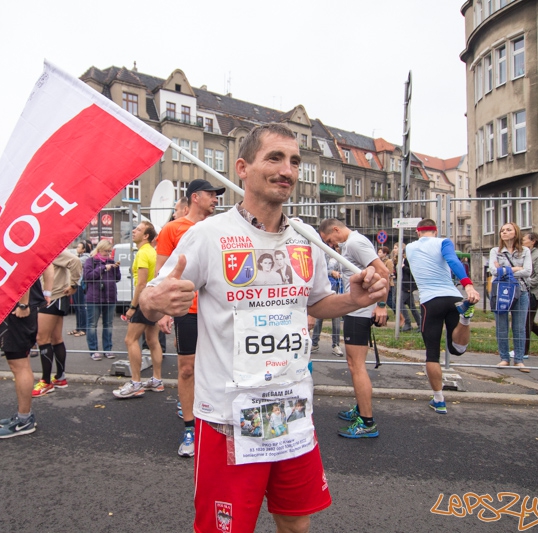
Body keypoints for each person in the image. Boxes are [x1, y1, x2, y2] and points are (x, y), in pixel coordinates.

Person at [139, 123, 387, 532]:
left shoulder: (306, 238)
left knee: (295, 522)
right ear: (242, 167)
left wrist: (354, 300)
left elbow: (316, 302)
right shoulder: (207, 236)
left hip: (291, 411)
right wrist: (155, 301)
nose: (286, 170)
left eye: (294, 161)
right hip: (228, 417)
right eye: (274, 158)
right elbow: (150, 296)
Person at [155, 178, 224, 457]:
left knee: (220, 367)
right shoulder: (172, 229)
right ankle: (189, 429)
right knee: (187, 369)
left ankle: (218, 424)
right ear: (195, 197)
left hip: (218, 311)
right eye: (211, 194)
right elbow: (161, 274)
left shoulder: (221, 229)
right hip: (188, 311)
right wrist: (162, 311)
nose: (216, 199)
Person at [318, 218, 389, 438]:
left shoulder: (356, 243)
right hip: (355, 308)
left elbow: (383, 273)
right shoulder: (350, 244)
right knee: (353, 364)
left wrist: (381, 306)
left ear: (337, 230)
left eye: (330, 240)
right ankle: (360, 409)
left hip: (360, 312)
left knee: (356, 365)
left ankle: (367, 422)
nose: (331, 245)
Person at [406, 219, 480, 414]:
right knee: (457, 349)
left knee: (432, 353)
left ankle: (439, 400)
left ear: (417, 232)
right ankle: (465, 319)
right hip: (453, 297)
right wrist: (468, 284)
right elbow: (453, 260)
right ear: (436, 231)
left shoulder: (410, 248)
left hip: (430, 301)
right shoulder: (443, 242)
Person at [0, 269, 52, 438]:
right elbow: (47, 266)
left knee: (19, 364)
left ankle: (24, 419)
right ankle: (23, 415)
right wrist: (45, 292)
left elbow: (23, 270)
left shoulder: (15, 242)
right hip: (16, 304)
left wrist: (23, 303)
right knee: (18, 362)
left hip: (17, 307)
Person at [115, 221, 164, 398]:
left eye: (138, 229)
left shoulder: (143, 253)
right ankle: (157, 380)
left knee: (130, 340)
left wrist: (132, 307)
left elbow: (141, 283)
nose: (133, 230)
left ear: (146, 236)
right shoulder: (153, 252)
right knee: (152, 340)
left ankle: (136, 382)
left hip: (143, 301)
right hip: (154, 301)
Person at [32, 250, 82, 397]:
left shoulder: (52, 248)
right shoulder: (46, 248)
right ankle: (60, 378)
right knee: (55, 339)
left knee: (42, 339)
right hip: (54, 297)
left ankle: (46, 382)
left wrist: (74, 285)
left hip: (53, 297)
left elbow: (75, 262)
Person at [489, 222, 532, 371]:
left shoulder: (525, 251)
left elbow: (527, 271)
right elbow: (493, 270)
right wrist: (515, 268)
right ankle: (504, 358)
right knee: (501, 326)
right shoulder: (496, 251)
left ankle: (519, 360)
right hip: (500, 291)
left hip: (521, 291)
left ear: (516, 232)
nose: (505, 232)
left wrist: (505, 270)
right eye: (502, 230)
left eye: (508, 230)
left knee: (519, 327)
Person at [83, 240, 120, 360]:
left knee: (108, 325)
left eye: (109, 251)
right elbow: (88, 277)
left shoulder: (111, 261)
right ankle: (93, 351)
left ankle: (107, 349)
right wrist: (103, 268)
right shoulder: (91, 261)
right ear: (99, 250)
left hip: (110, 297)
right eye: (106, 251)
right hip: (94, 298)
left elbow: (117, 278)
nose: (108, 254)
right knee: (92, 325)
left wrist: (116, 268)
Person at [311, 252, 343, 357]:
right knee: (318, 319)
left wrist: (340, 274)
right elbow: (320, 271)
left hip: (336, 292)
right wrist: (331, 272)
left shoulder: (342, 257)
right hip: (323, 293)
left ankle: (336, 345)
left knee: (336, 320)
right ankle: (314, 343)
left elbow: (346, 272)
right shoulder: (323, 255)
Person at [68, 241, 91, 337]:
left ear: (84, 249)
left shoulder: (85, 258)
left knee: (81, 307)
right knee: (77, 307)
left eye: (79, 247)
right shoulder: (80, 257)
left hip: (80, 285)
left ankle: (83, 328)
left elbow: (71, 263)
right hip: (76, 284)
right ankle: (78, 328)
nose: (77, 248)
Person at [398, 251, 422, 332]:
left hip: (407, 286)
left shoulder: (408, 260)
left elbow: (413, 272)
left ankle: (408, 323)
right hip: (403, 285)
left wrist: (404, 267)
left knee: (399, 302)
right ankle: (420, 323)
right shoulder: (400, 260)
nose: (395, 250)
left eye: (396, 248)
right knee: (412, 306)